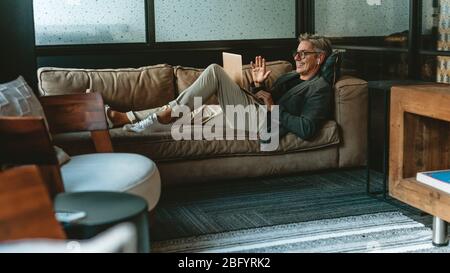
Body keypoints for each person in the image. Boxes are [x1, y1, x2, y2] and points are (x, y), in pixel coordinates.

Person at [107, 33, 333, 141]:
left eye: (304, 54)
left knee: (215, 70)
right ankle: (126, 118)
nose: (297, 57)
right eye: (296, 53)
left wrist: (273, 108)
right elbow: (267, 98)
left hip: (267, 124)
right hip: (256, 111)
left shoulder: (319, 88)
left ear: (320, 58)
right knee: (194, 113)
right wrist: (258, 84)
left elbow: (307, 129)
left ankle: (165, 114)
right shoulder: (291, 77)